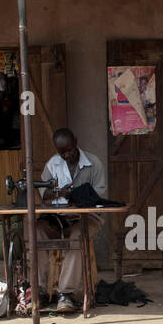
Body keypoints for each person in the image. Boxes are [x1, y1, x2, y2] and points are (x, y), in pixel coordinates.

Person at [37, 127, 107, 312]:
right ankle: (40, 291)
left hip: (87, 218)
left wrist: (75, 196)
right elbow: (43, 193)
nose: (67, 155)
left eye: (69, 150)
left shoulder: (93, 163)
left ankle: (65, 294)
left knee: (78, 236)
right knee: (37, 231)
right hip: (58, 218)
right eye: (62, 153)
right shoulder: (53, 164)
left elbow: (99, 195)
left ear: (76, 141)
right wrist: (57, 193)